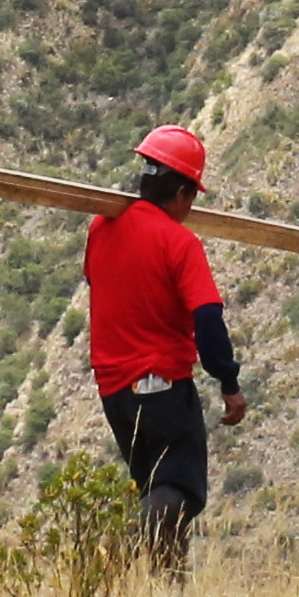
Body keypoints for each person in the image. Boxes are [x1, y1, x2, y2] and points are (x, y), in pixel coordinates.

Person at [82, 122, 250, 571]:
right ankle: (118, 547)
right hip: (160, 383)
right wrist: (229, 383)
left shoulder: (101, 228)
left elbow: (98, 282)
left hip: (113, 390)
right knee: (182, 487)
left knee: (156, 488)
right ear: (182, 193)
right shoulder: (180, 243)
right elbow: (208, 319)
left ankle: (165, 592)